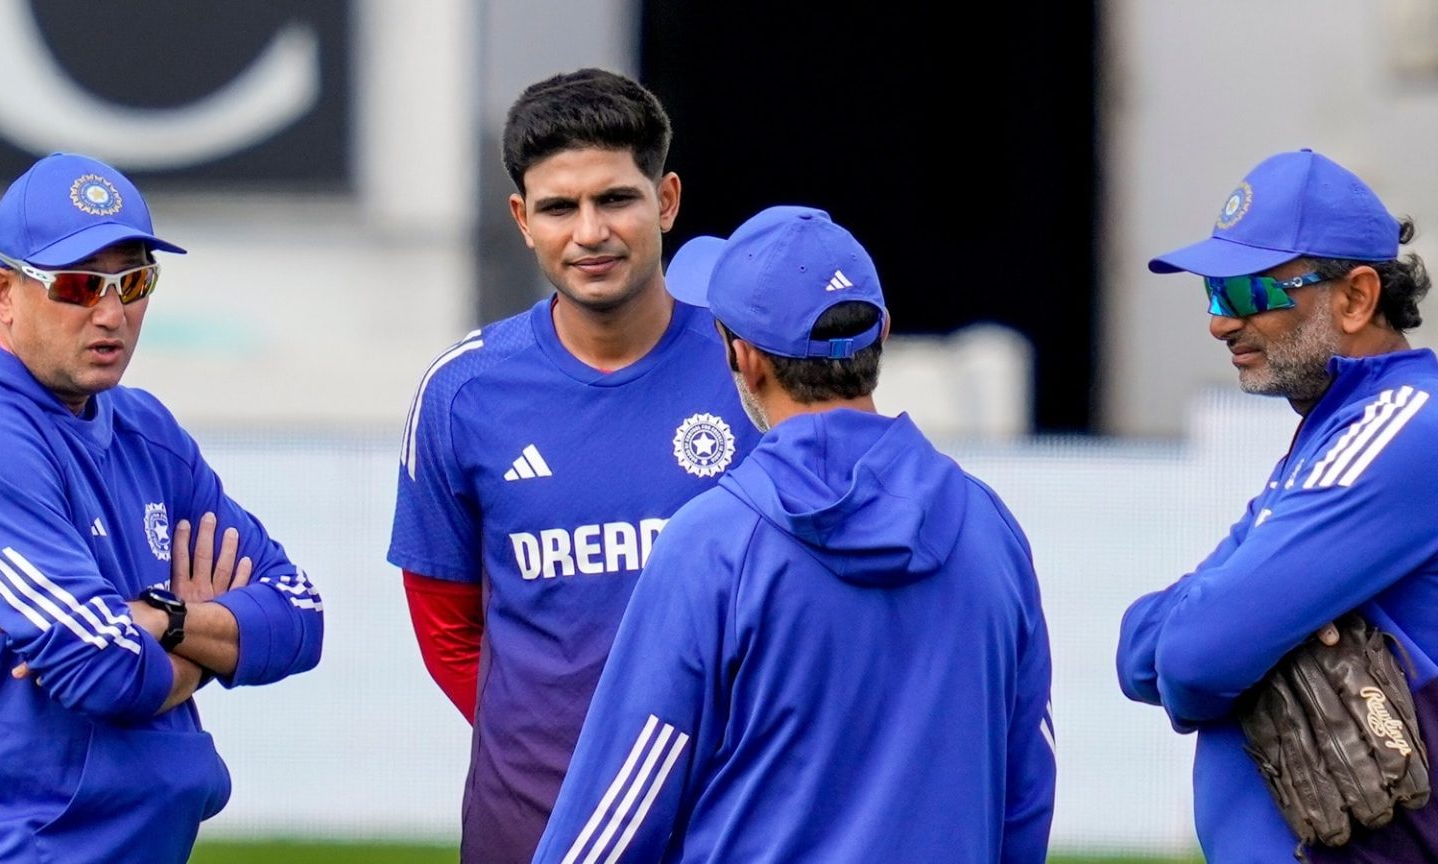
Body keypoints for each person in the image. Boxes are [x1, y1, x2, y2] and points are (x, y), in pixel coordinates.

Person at [531, 205, 1058, 863]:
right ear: (881, 333)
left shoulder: (713, 545)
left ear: (745, 359)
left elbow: (611, 821)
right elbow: (1026, 784)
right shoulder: (991, 529)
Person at [0, 151, 325, 864]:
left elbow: (301, 616)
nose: (111, 314)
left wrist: (163, 619)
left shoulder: (143, 427)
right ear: (3, 293)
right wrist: (204, 636)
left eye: (133, 282)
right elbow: (101, 669)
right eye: (76, 285)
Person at [386, 68, 762, 862]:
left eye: (616, 199)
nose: (590, 232)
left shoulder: (750, 373)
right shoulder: (462, 392)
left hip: (724, 823)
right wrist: (557, 758)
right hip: (531, 826)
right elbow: (445, 624)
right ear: (523, 219)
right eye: (560, 207)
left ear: (666, 201)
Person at [1116, 148, 1438, 860]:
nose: (1221, 323)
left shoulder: (1404, 427)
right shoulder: (1338, 433)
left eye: (1248, 292)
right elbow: (1139, 655)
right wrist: (1231, 634)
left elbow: (1194, 659)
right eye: (1215, 293)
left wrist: (1223, 640)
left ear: (1355, 298)